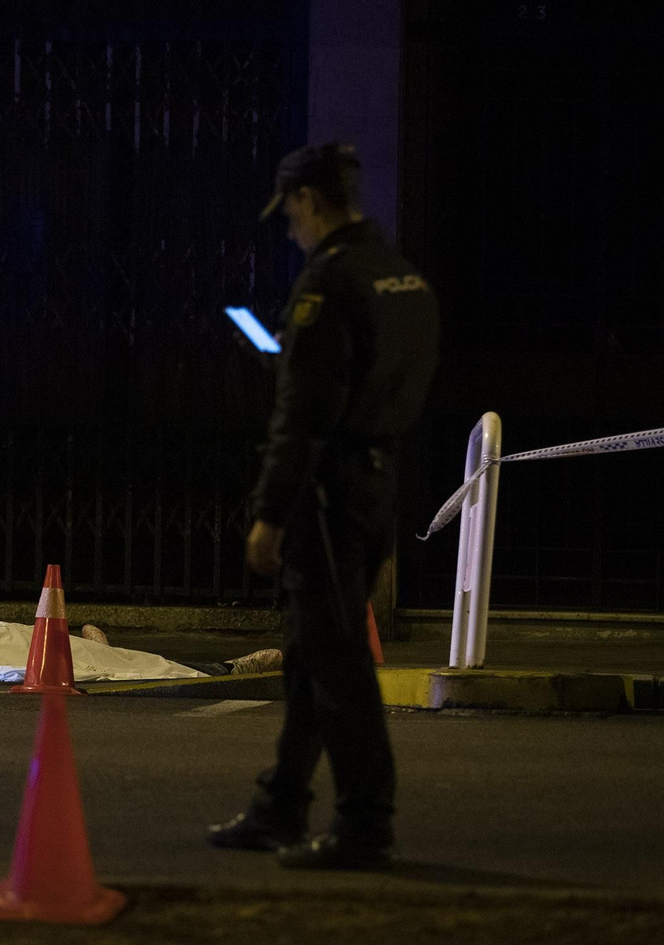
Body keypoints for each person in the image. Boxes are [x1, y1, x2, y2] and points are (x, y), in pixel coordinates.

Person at [207, 143, 438, 869]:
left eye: (291, 214)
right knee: (312, 652)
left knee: (335, 662)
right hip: (377, 481)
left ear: (309, 200)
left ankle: (366, 821)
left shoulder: (327, 285)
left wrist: (269, 514)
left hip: (329, 494)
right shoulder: (398, 274)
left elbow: (301, 416)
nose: (289, 230)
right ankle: (280, 804)